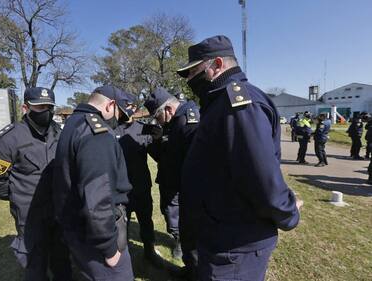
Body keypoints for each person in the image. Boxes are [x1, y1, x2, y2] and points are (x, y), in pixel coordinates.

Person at [177, 35, 302, 281]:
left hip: (235, 245)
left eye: (193, 71)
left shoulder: (239, 105)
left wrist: (289, 214)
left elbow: (261, 178)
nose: (189, 80)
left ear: (217, 65)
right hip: (219, 234)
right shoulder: (218, 103)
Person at [0, 87, 72, 281]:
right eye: (39, 107)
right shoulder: (8, 139)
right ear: (25, 108)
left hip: (59, 210)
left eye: (49, 107)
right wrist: (17, 195)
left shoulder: (59, 133)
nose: (46, 111)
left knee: (62, 258)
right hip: (30, 214)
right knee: (35, 264)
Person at [53, 85, 134, 281]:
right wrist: (109, 249)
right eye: (119, 114)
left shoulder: (74, 122)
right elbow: (98, 196)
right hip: (94, 235)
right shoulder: (96, 133)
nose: (119, 121)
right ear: (110, 105)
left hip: (77, 226)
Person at [144, 87, 200, 279]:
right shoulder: (174, 122)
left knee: (192, 232)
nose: (156, 121)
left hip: (189, 189)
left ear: (167, 110)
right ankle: (190, 269)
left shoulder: (188, 122)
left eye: (157, 116)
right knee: (183, 228)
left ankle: (196, 272)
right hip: (174, 182)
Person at [113, 92, 162, 265]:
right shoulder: (111, 130)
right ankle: (123, 259)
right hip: (120, 189)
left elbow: (157, 156)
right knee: (121, 227)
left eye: (133, 106)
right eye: (126, 105)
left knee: (146, 221)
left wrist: (157, 140)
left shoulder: (143, 128)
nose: (130, 109)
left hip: (141, 186)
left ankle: (150, 251)